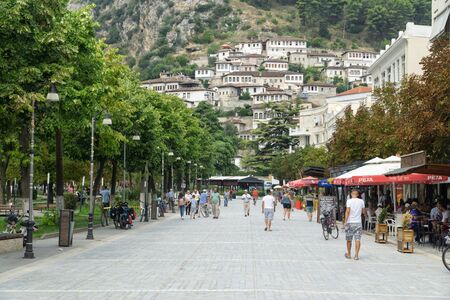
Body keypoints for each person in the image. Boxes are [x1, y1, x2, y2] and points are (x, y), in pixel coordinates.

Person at [344, 189, 365, 260]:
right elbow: (363, 212)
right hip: (358, 223)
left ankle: (349, 254)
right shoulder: (361, 201)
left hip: (350, 223)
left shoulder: (349, 201)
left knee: (349, 239)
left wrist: (345, 222)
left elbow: (347, 211)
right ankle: (356, 255)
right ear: (358, 194)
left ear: (351, 194)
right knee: (358, 239)